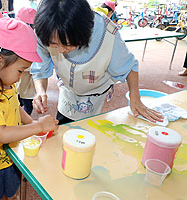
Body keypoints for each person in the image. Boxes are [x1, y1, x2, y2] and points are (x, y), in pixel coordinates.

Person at [0, 18, 58, 200]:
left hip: (10, 154)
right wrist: (38, 126)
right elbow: (1, 134)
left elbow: (16, 107)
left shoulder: (7, 83)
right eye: (20, 71)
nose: (21, 77)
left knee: (10, 189)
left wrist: (33, 124)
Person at [31, 0, 164, 125]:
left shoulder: (107, 34)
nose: (60, 50)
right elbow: (40, 68)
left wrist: (136, 99)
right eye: (54, 45)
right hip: (67, 89)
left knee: (89, 126)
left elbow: (128, 68)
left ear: (84, 33)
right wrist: (40, 91)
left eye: (68, 44)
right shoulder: (45, 29)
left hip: (95, 91)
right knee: (64, 124)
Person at [15, 7, 38, 115]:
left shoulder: (35, 40)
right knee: (18, 104)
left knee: (26, 105)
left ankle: (21, 125)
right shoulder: (15, 39)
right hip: (19, 81)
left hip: (27, 81)